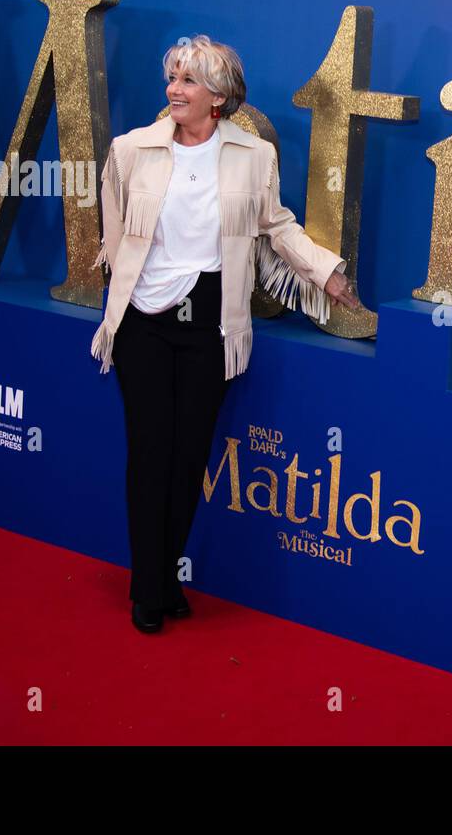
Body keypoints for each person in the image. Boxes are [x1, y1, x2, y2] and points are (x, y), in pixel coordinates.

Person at [90, 35, 361, 634]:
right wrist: (123, 278)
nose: (173, 90)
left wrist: (325, 270)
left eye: (187, 81)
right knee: (149, 456)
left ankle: (162, 576)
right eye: (172, 78)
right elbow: (113, 227)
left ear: (218, 96)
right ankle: (151, 587)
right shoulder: (132, 149)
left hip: (211, 320)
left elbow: (276, 225)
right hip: (142, 320)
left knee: (189, 460)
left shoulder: (252, 154)